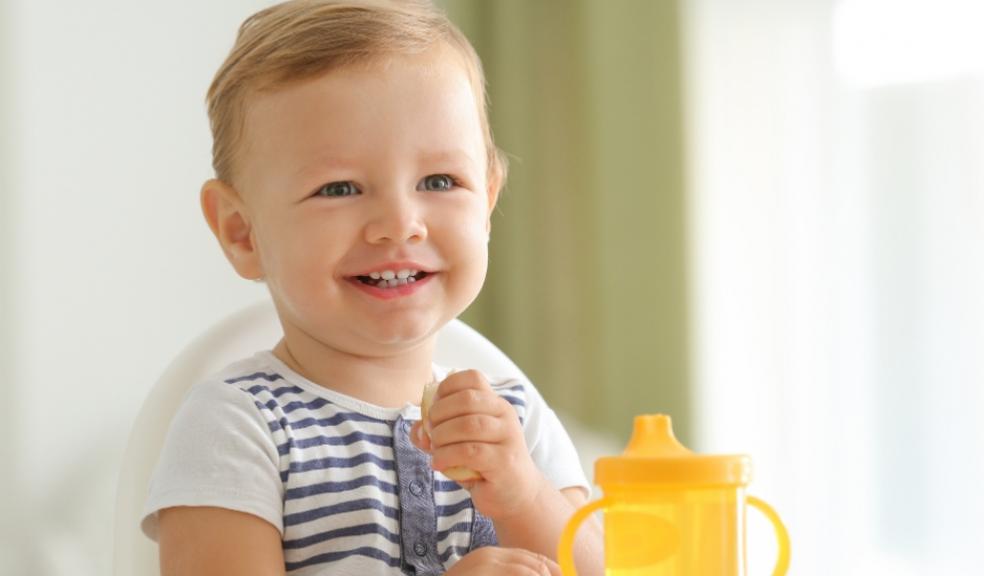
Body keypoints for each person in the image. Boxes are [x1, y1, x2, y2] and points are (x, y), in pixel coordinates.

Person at [140, 1, 602, 574]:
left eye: (439, 181)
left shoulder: (515, 417)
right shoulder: (236, 428)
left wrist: (522, 492)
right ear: (242, 231)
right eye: (338, 188)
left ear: (486, 202)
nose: (401, 223)